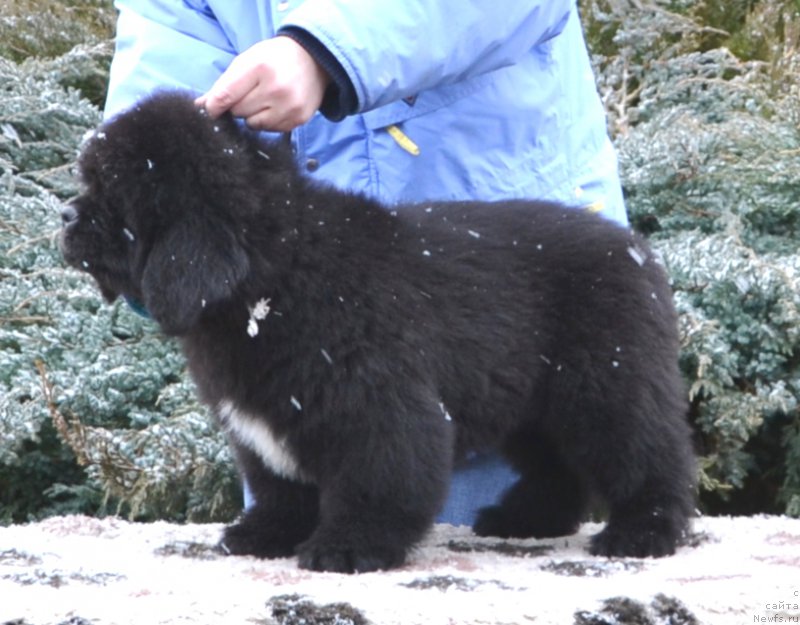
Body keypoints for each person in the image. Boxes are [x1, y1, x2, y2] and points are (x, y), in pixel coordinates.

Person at [103, 0, 628, 526]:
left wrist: (323, 52)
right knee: (297, 576)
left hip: (495, 283)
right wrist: (152, 234)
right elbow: (169, 49)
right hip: (282, 309)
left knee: (484, 584)